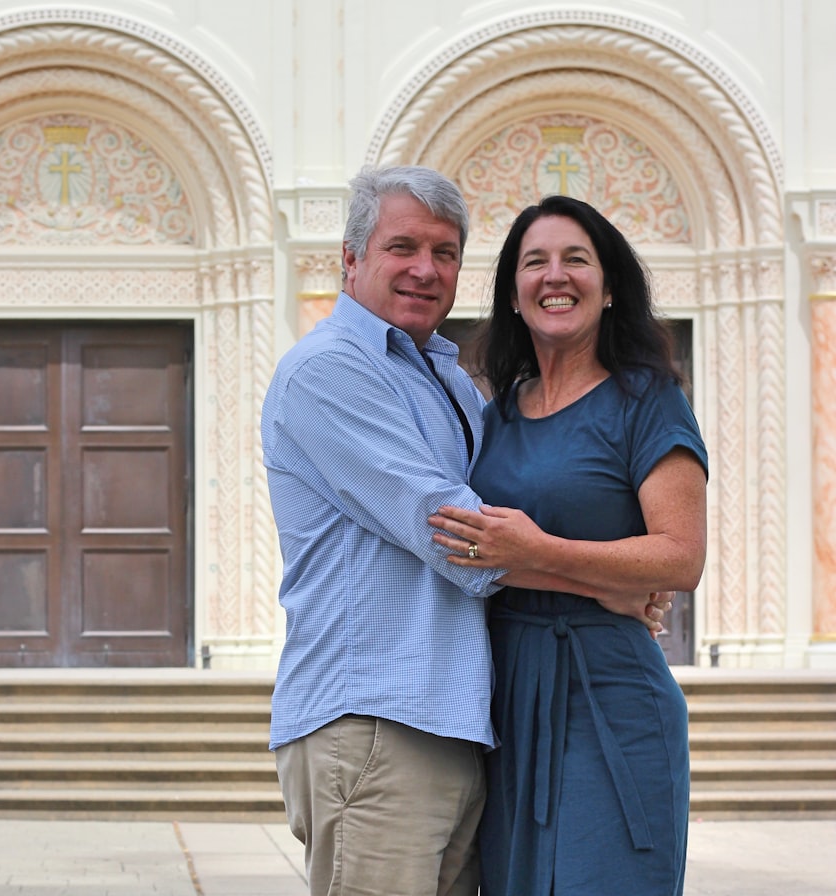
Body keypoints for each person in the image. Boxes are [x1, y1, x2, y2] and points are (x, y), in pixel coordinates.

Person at [261, 167, 667, 896]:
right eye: (403, 247)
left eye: (445, 252)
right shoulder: (326, 373)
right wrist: (608, 584)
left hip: (458, 724)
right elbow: (455, 532)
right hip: (374, 721)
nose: (425, 269)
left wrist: (607, 578)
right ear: (349, 260)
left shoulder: (448, 379)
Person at [429, 194, 708, 896]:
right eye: (535, 262)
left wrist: (540, 554)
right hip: (503, 698)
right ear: (514, 295)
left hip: (611, 697)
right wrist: (601, 578)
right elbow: (466, 552)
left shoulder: (648, 400)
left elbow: (681, 556)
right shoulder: (491, 420)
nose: (556, 276)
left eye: (576, 259)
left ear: (610, 287)